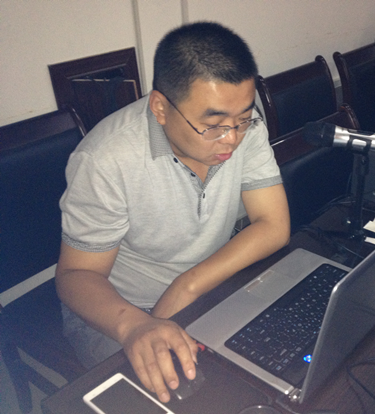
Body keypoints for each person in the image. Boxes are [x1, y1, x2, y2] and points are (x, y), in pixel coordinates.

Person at [55, 21, 290, 403]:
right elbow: (75, 276)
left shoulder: (241, 123)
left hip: (204, 286)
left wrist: (187, 285)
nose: (232, 138)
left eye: (243, 120)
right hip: (121, 311)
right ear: (161, 108)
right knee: (194, 399)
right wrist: (135, 325)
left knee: (270, 374)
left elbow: (273, 225)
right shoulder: (106, 159)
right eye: (213, 126)